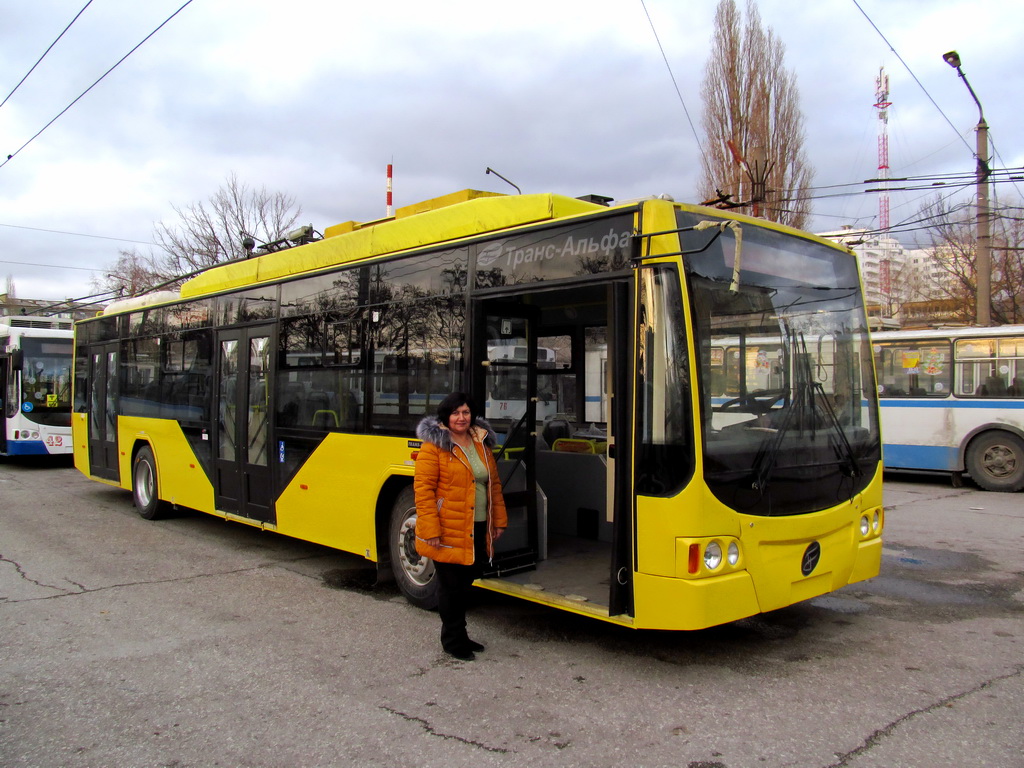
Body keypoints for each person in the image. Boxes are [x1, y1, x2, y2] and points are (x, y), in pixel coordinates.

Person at [414, 392, 508, 660]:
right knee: (451, 586)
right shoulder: (434, 447)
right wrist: (430, 529)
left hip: (476, 525)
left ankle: (461, 634)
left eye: (466, 413)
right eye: (456, 413)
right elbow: (423, 490)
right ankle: (453, 640)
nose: (461, 418)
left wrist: (498, 521)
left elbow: (494, 485)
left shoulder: (480, 443)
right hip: (447, 528)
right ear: (446, 416)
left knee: (467, 582)